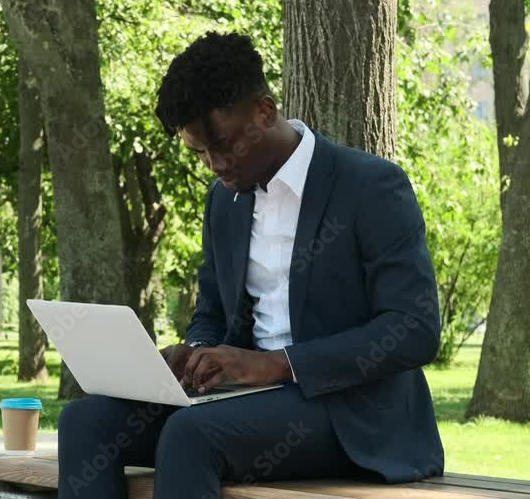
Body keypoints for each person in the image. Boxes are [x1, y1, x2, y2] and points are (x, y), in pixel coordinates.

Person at [56, 31, 444, 499]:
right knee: (84, 420)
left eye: (223, 144)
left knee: (191, 433)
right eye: (199, 152)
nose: (215, 164)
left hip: (353, 412)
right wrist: (195, 351)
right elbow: (214, 311)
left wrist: (277, 365)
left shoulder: (371, 187)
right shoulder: (226, 202)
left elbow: (413, 328)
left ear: (265, 110)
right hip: (245, 404)